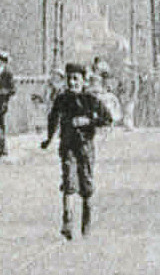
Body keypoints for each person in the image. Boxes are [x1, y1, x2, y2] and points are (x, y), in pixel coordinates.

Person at [41, 63, 114, 239]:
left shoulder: (91, 99)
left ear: (83, 81)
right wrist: (49, 139)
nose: (72, 83)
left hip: (85, 147)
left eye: (76, 79)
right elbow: (53, 119)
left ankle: (86, 223)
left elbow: (107, 119)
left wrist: (88, 121)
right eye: (69, 79)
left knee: (86, 185)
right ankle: (67, 221)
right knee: (68, 182)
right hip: (67, 146)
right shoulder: (62, 98)